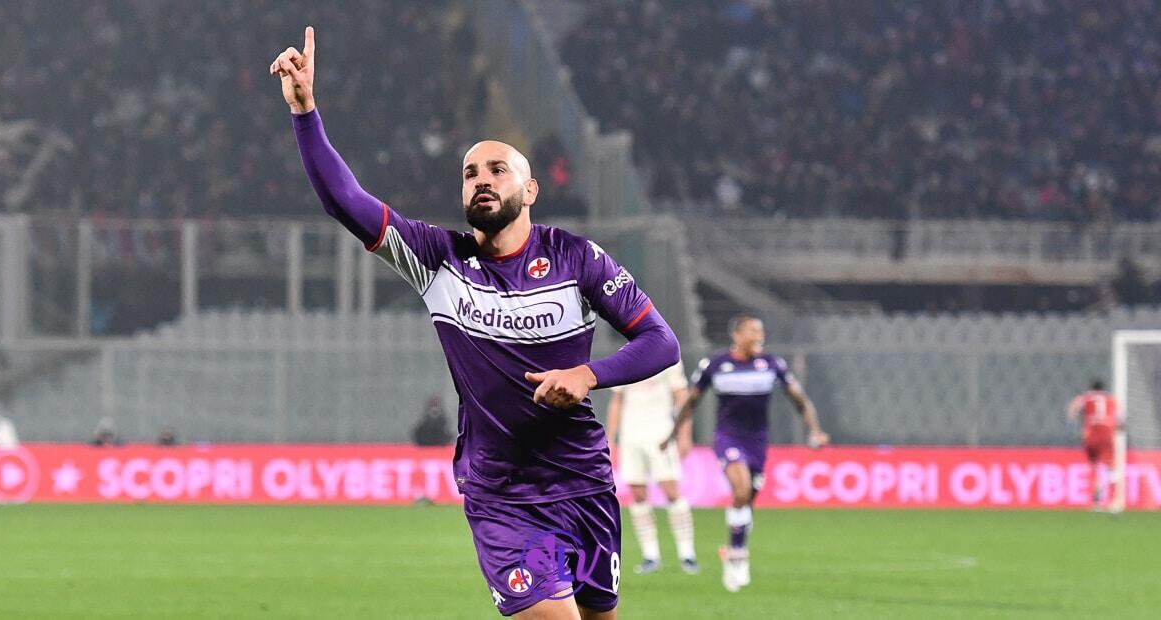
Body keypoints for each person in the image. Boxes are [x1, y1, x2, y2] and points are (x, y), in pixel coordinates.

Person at [271, 27, 680, 619]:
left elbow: (660, 342)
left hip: (585, 482)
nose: (482, 179)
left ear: (530, 188)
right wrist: (307, 112)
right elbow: (345, 200)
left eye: (497, 169)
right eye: (470, 173)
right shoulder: (437, 260)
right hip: (503, 495)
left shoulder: (577, 258)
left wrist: (588, 375)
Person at [663, 316, 829, 593]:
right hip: (728, 438)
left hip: (758, 442)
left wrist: (815, 430)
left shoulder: (772, 364)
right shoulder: (716, 365)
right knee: (740, 492)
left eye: (761, 332)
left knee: (747, 502)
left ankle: (732, 548)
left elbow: (799, 399)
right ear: (737, 335)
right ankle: (738, 556)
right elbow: (692, 401)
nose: (758, 337)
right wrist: (673, 434)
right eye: (753, 332)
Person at [605, 362, 698, 575]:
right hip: (631, 436)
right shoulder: (625, 358)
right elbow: (617, 400)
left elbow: (681, 397)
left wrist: (684, 434)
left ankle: (687, 554)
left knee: (671, 491)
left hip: (661, 434)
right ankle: (650, 555)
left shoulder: (666, 358)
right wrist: (610, 437)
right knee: (637, 494)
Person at [1067, 380, 1120, 511]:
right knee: (1111, 467)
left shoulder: (1086, 397)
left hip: (1090, 437)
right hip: (1106, 435)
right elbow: (1120, 419)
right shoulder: (1111, 399)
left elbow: (1073, 407)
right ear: (1103, 389)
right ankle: (1113, 501)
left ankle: (1096, 503)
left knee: (1096, 468)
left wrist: (1071, 423)